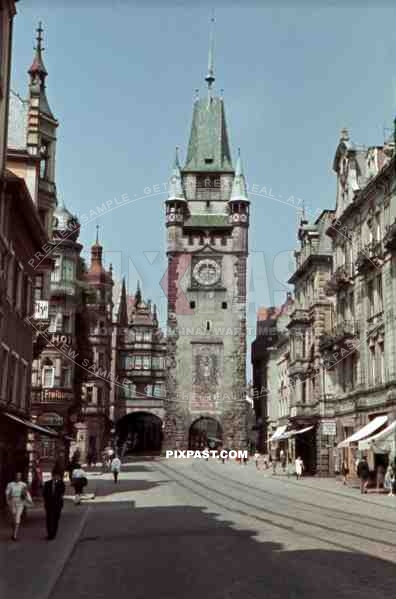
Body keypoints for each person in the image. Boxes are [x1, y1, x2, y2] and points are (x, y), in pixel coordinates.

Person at [5, 472, 31, 541]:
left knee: (17, 517)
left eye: (19, 476)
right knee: (13, 518)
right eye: (17, 476)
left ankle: (15, 535)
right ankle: (13, 531)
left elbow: (26, 493)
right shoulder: (10, 484)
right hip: (12, 502)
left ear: (21, 477)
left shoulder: (23, 485)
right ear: (15, 476)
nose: (18, 477)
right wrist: (8, 501)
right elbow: (7, 494)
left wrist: (29, 500)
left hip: (20, 502)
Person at [43, 470, 65, 540]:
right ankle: (50, 534)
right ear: (52, 476)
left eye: (58, 476)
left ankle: (54, 533)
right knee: (49, 519)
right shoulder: (47, 483)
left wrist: (58, 483)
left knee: (56, 519)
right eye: (55, 476)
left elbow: (62, 492)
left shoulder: (61, 484)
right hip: (49, 504)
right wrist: (47, 501)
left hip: (57, 504)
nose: (56, 477)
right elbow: (44, 494)